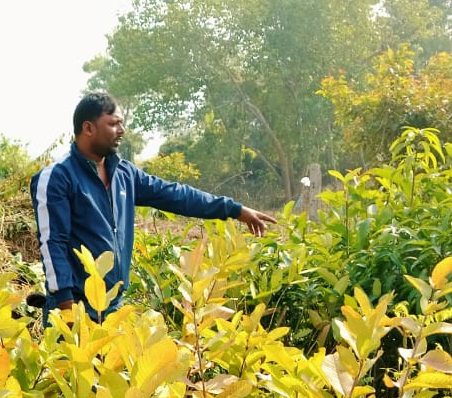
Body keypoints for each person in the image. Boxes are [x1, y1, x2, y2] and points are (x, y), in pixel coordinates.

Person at [31, 91, 276, 321]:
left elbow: (176, 195)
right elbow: (54, 244)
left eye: (121, 123)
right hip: (74, 307)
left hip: (112, 306)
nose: (122, 130)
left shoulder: (125, 174)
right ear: (88, 128)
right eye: (114, 123)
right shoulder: (58, 177)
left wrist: (235, 209)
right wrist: (68, 312)